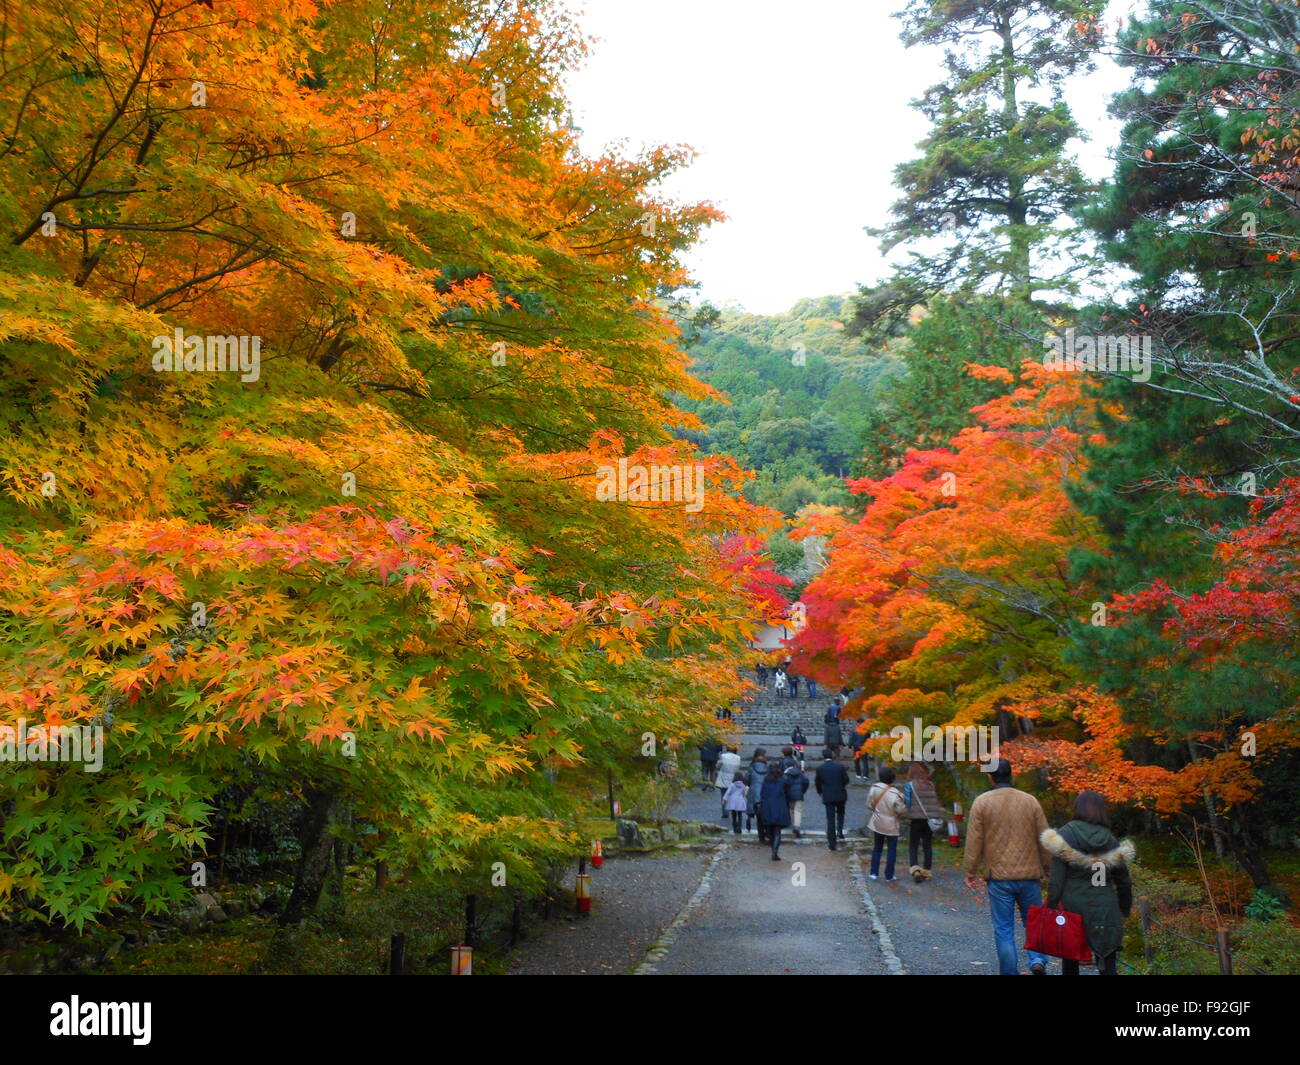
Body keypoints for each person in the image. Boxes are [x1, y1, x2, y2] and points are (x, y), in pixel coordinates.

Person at [962, 757, 1052, 976]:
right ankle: (1037, 960)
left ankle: (1010, 971)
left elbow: (974, 840)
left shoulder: (982, 802)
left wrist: (970, 871)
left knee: (1004, 928)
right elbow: (1044, 836)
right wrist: (1048, 867)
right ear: (1011, 775)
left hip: (999, 876)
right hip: (1029, 874)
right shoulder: (1030, 801)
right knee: (1034, 922)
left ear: (991, 777)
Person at [1042, 791, 1135, 976]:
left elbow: (1056, 881)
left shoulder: (1066, 834)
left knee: (1070, 960)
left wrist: (1050, 906)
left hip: (1073, 905)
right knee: (1108, 959)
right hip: (1105, 905)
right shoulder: (1109, 838)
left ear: (1077, 808)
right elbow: (1124, 881)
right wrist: (1124, 909)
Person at [866, 766, 907, 881]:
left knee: (877, 848)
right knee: (891, 849)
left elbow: (869, 804)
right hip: (891, 824)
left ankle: (873, 872)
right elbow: (901, 810)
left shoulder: (874, 788)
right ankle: (889, 875)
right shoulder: (896, 794)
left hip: (877, 822)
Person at [903, 762, 941, 882]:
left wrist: (906, 814)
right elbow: (935, 801)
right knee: (927, 845)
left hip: (916, 819)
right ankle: (927, 871)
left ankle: (915, 869)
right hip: (930, 819)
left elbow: (907, 802)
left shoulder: (910, 785)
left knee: (913, 845)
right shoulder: (931, 784)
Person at [814, 747, 851, 850]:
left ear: (823, 757)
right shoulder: (840, 767)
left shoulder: (820, 768)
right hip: (840, 793)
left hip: (828, 795)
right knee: (840, 813)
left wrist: (820, 792)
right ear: (832, 756)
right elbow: (846, 780)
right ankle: (840, 831)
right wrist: (841, 786)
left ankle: (832, 842)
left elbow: (817, 782)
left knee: (830, 820)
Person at [759, 761, 794, 860]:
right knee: (777, 831)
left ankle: (773, 850)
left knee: (770, 830)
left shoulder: (765, 781)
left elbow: (762, 794)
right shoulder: (783, 780)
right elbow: (788, 792)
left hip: (768, 806)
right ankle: (775, 852)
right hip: (780, 806)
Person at [784, 758, 810, 838]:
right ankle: (797, 826)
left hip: (789, 795)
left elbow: (784, 784)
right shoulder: (800, 773)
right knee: (798, 810)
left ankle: (793, 824)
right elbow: (806, 781)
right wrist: (802, 790)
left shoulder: (786, 774)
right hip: (799, 794)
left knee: (791, 810)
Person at [714, 745, 741, 819]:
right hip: (733, 777)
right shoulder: (738, 758)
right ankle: (733, 810)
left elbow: (718, 765)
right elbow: (738, 767)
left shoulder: (723, 756)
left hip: (723, 777)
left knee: (723, 795)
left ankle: (725, 812)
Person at [747, 748, 769, 840]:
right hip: (765, 794)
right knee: (766, 815)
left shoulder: (751, 768)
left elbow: (747, 780)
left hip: (754, 794)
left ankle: (761, 837)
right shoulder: (767, 769)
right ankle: (767, 833)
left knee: (758, 817)